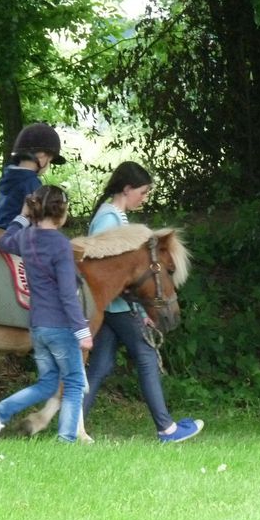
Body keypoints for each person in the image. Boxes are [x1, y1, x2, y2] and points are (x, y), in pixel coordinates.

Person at [83, 161, 204, 443]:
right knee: (147, 356)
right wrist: (138, 307)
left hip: (115, 305)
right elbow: (107, 271)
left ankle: (72, 425)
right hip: (118, 306)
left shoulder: (115, 217)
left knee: (100, 365)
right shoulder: (108, 220)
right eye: (143, 191)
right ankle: (166, 429)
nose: (145, 197)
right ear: (127, 189)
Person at [0, 185, 93, 443]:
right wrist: (82, 329)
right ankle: (66, 441)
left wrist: (20, 217)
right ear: (62, 212)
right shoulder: (62, 246)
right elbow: (67, 294)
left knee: (48, 383)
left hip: (38, 327)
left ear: (35, 209)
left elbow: (5, 241)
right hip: (61, 326)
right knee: (74, 382)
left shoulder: (26, 238)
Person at [0, 122, 67, 241]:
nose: (48, 165)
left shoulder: (9, 175)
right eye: (49, 160)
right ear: (41, 155)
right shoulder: (32, 183)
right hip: (18, 236)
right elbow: (39, 218)